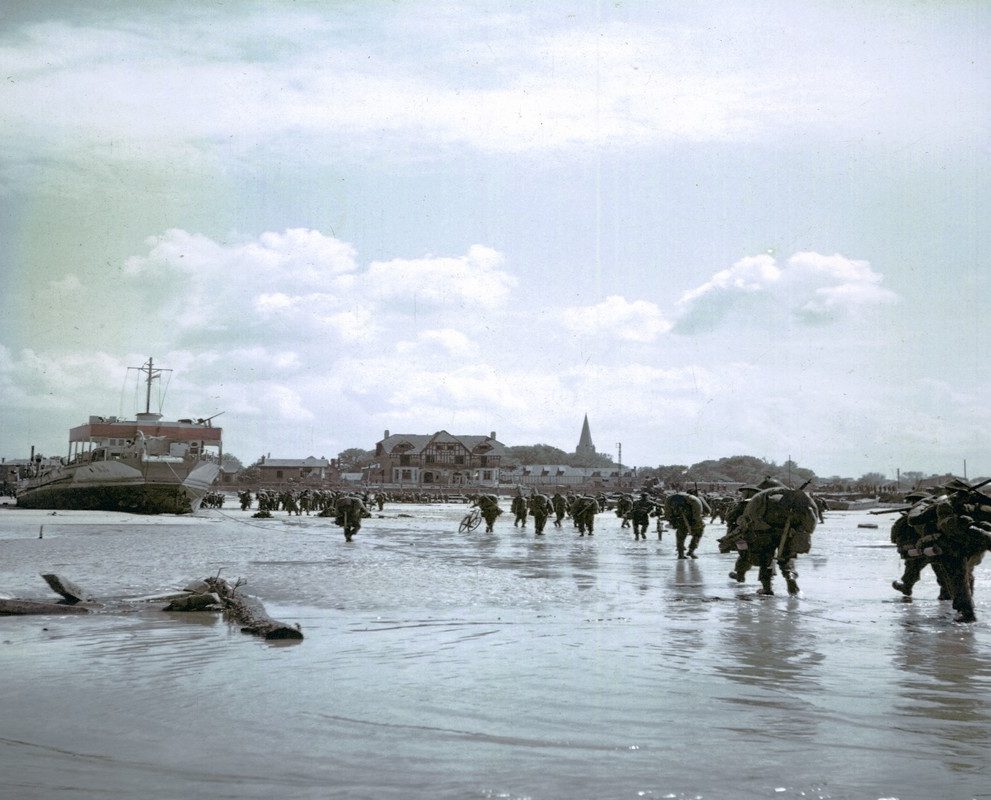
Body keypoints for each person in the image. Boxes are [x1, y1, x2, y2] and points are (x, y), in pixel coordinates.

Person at [732, 484, 819, 595]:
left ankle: (767, 588)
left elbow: (748, 519)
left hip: (765, 533)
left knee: (765, 559)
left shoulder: (762, 498)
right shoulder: (796, 499)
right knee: (786, 559)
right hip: (788, 533)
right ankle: (791, 581)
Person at [890, 489, 951, 601]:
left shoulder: (909, 517)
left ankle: (906, 587)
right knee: (941, 570)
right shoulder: (937, 514)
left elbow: (895, 536)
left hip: (919, 549)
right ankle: (946, 593)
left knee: (912, 569)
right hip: (936, 547)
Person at [717, 485, 760, 582]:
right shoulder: (763, 503)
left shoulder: (744, 504)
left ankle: (740, 576)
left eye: (744, 492)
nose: (742, 494)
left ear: (749, 492)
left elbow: (730, 517)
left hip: (743, 535)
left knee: (744, 554)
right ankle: (767, 580)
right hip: (763, 534)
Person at [664, 491, 707, 558]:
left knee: (680, 536)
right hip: (691, 519)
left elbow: (667, 511)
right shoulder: (693, 499)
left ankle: (681, 554)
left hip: (679, 519)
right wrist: (696, 521)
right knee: (698, 533)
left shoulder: (671, 498)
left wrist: (671, 519)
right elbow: (698, 512)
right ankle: (691, 551)